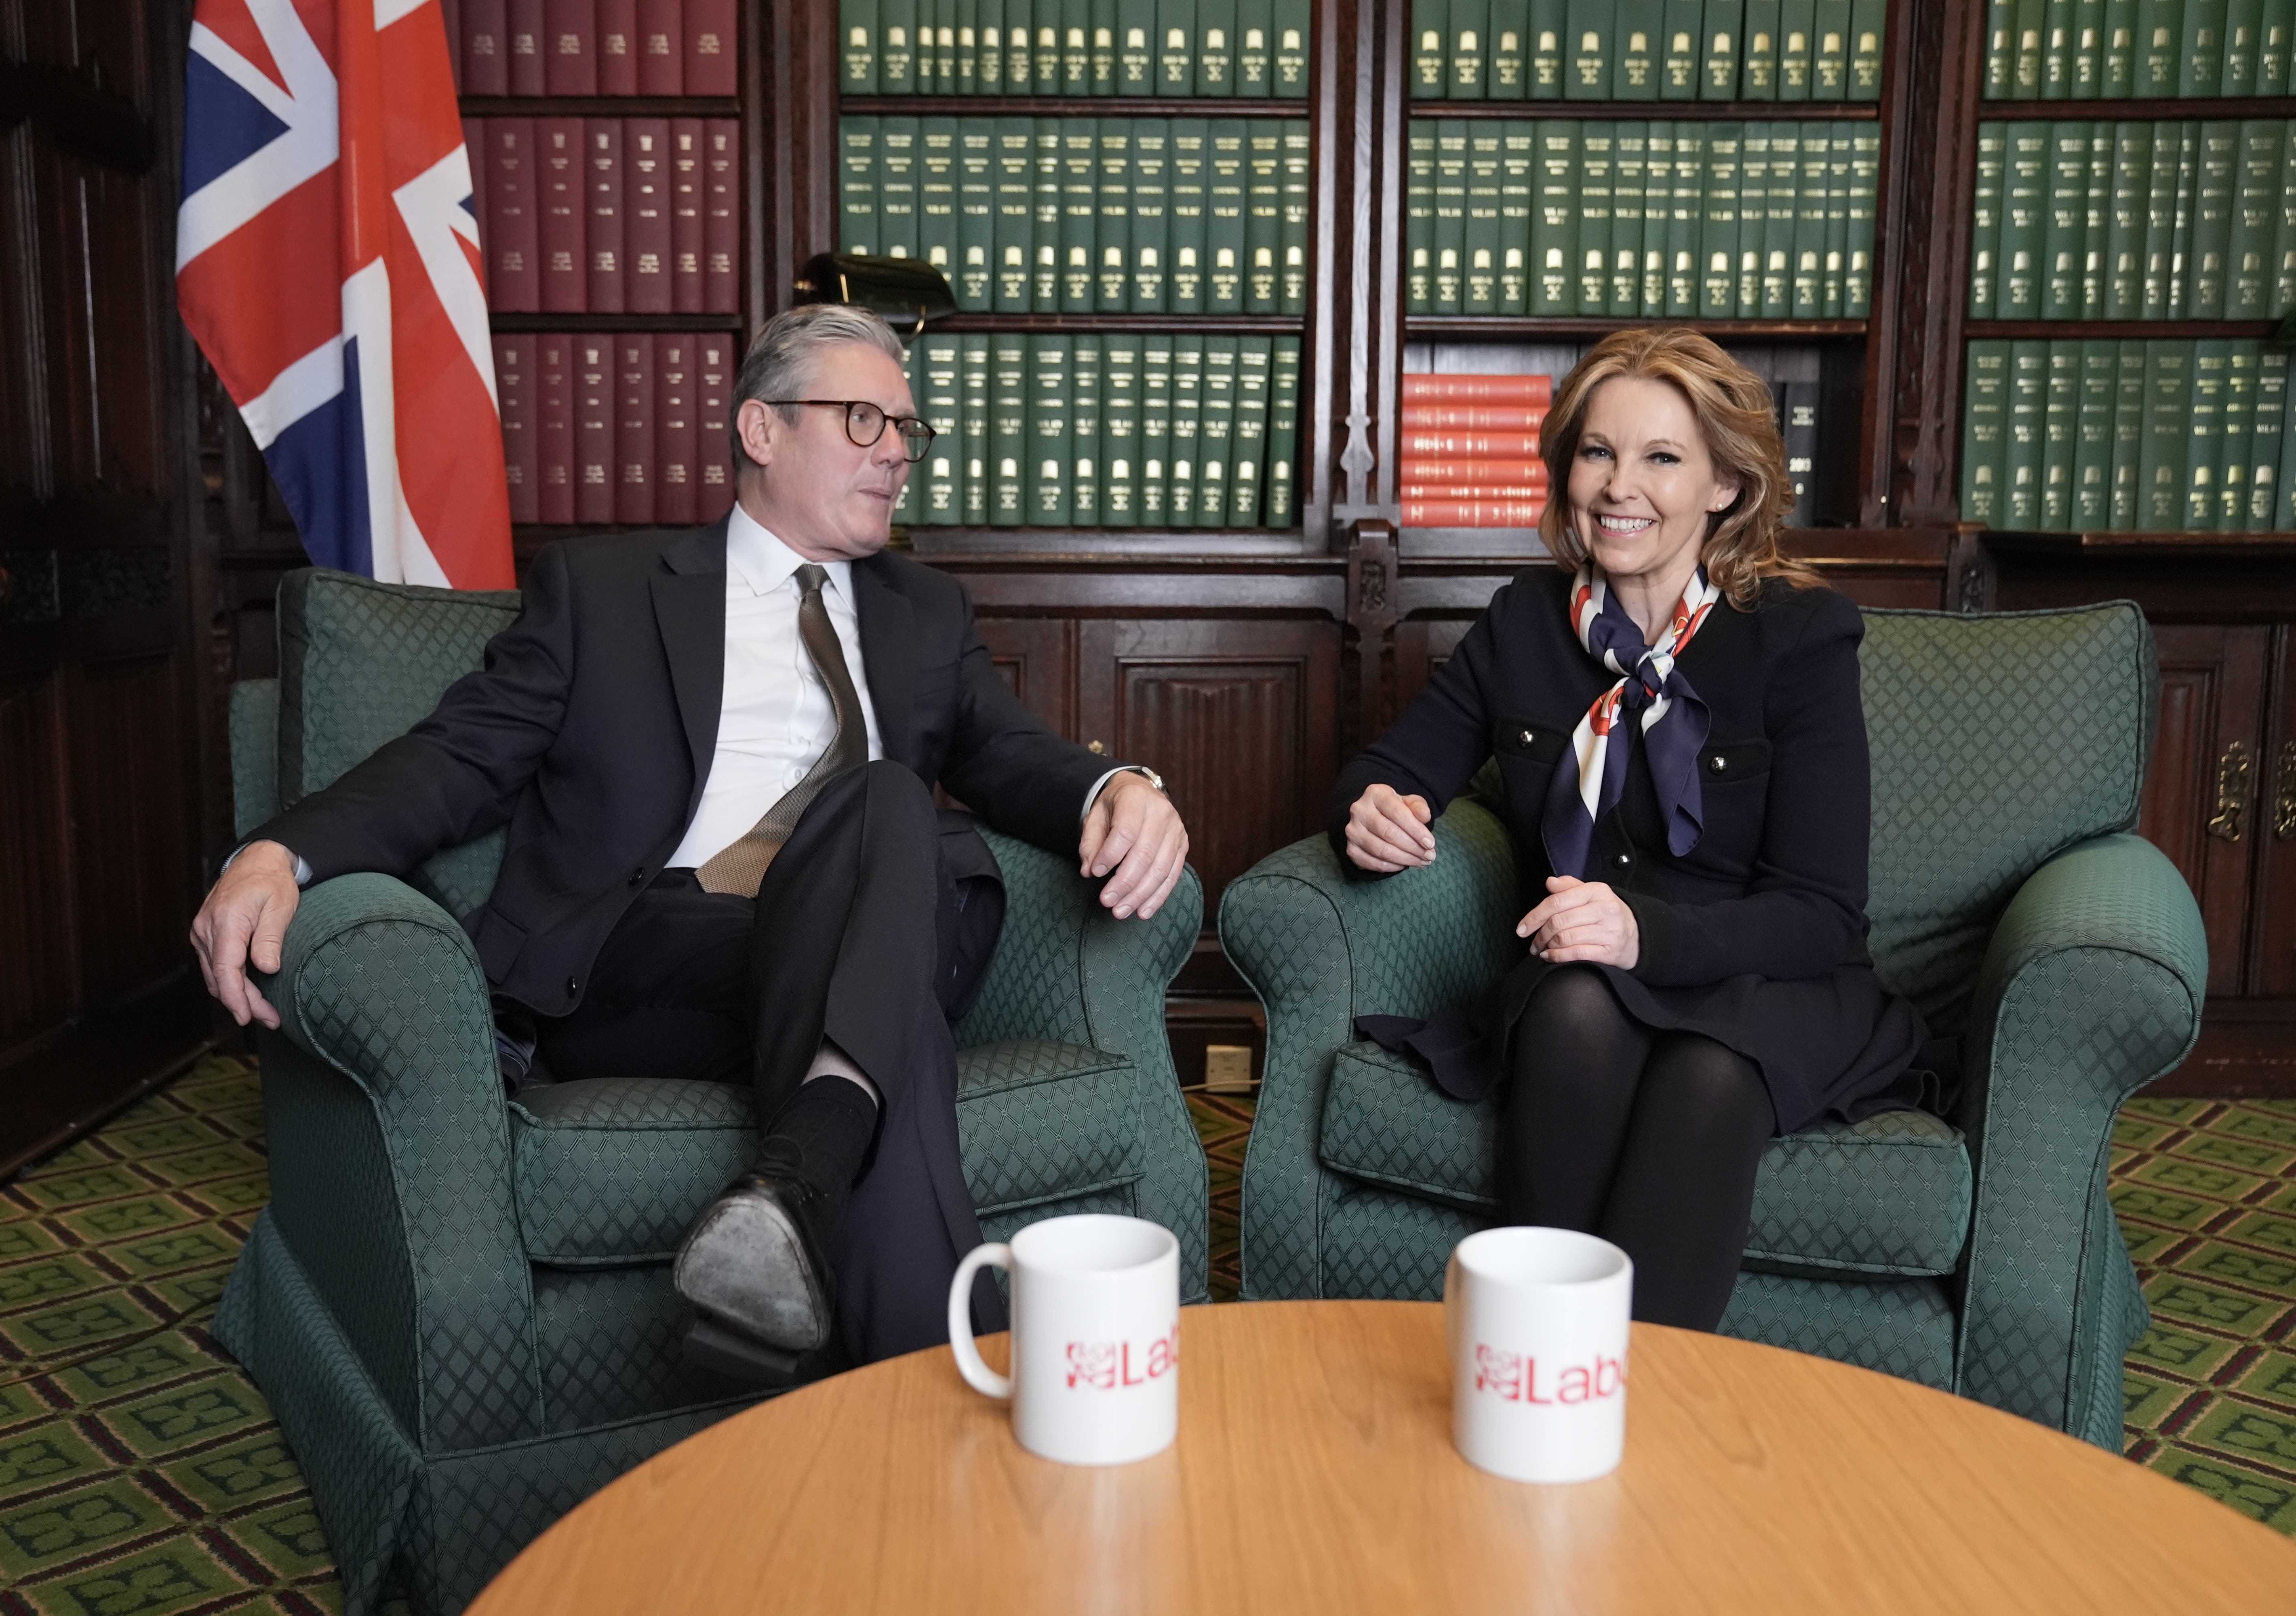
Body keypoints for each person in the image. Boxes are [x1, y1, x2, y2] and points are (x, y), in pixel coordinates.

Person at [188, 303, 1189, 1382]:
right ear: (761, 431)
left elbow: (1007, 752)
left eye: (907, 428)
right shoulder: (605, 593)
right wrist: (278, 853)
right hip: (653, 955)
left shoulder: (925, 610)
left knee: (890, 805)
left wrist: (1117, 785)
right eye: (863, 419)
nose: (899, 450)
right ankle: (902, 1341)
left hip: (855, 923)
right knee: (895, 1010)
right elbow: (456, 761)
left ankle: (797, 1204)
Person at [1334, 328, 1949, 1331]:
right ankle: (1531, 1365)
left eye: (1663, 457)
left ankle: (1643, 1411)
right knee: (1571, 1005)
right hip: (1591, 969)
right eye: (1597, 452)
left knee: (1705, 1073)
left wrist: (1644, 933)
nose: (1622, 486)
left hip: (1770, 976)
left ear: (1727, 488)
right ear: (1566, 469)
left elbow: (1823, 912)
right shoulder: (1523, 626)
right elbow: (1392, 768)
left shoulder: (1801, 638)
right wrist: (1372, 809)